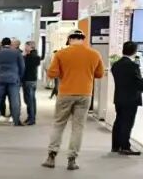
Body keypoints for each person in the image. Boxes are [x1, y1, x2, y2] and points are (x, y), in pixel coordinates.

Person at [43, 31, 104, 170]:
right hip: (85, 93)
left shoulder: (61, 54)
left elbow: (52, 73)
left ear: (70, 39)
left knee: (59, 124)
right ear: (83, 39)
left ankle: (51, 156)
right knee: (78, 127)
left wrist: (64, 73)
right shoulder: (94, 54)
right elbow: (99, 74)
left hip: (65, 93)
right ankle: (72, 159)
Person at [111, 41, 143, 156]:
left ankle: (115, 146)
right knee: (127, 123)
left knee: (119, 121)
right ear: (134, 51)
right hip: (131, 98)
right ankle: (125, 147)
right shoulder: (133, 66)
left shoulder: (116, 65)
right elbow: (140, 84)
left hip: (119, 97)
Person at [0, 37, 25, 126]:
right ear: (10, 44)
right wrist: (19, 77)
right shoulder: (17, 52)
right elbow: (22, 66)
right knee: (14, 101)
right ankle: (16, 121)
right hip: (13, 79)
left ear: (2, 43)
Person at [22, 41, 42, 125]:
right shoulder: (37, 57)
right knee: (32, 100)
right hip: (33, 80)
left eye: (26, 46)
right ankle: (31, 117)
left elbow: (25, 67)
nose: (25, 48)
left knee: (29, 100)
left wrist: (24, 56)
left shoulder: (28, 57)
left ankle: (31, 118)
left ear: (31, 47)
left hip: (28, 80)